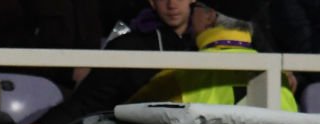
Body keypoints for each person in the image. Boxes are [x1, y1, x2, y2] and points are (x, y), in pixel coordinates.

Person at [22, 0, 199, 124]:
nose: (172, 5)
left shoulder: (211, 45)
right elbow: (91, 98)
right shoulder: (129, 46)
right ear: (151, 1)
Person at [128, 4, 299, 111]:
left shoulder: (178, 75)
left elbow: (130, 115)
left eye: (194, 8)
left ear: (208, 16)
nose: (190, 14)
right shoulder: (282, 79)